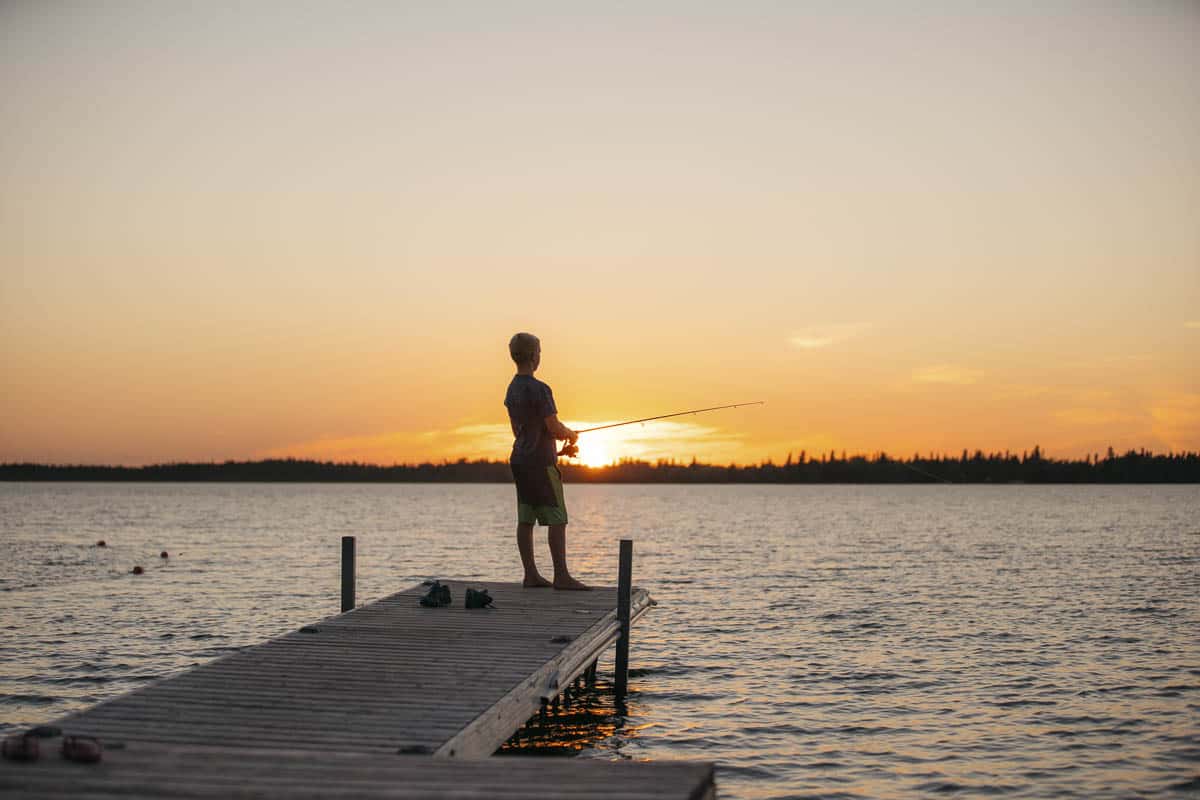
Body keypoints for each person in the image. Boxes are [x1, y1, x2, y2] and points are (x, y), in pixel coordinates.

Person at [504, 332, 591, 590]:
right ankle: (561, 576)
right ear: (533, 357)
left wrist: (556, 449)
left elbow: (520, 430)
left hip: (519, 459)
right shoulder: (540, 389)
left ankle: (530, 575)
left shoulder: (512, 388)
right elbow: (552, 427)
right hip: (541, 464)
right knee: (557, 518)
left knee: (526, 517)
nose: (540, 356)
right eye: (540, 352)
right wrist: (569, 434)